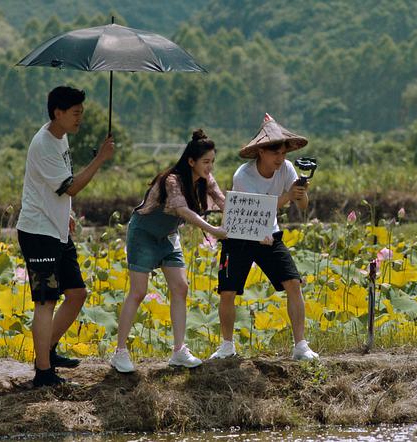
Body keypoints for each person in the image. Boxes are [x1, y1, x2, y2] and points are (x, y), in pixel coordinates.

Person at [16, 86, 115, 387]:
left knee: (76, 294)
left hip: (56, 229)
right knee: (45, 301)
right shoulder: (44, 143)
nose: (79, 119)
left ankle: (48, 350)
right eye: (75, 113)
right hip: (38, 231)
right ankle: (43, 372)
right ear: (57, 113)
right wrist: (100, 158)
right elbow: (70, 186)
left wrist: (66, 214)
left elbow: (56, 189)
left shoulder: (60, 137)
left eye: (81, 113)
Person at [110, 129, 228, 373]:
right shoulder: (172, 180)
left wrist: (246, 225)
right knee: (138, 291)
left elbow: (223, 201)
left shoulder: (207, 180)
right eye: (206, 162)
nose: (209, 167)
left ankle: (178, 351)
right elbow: (182, 210)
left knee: (180, 288)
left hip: (168, 236)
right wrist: (213, 230)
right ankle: (119, 352)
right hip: (143, 233)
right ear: (191, 161)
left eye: (212, 162)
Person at [209, 114, 318, 361]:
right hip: (239, 234)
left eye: (283, 153)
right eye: (275, 154)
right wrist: (289, 195)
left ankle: (301, 345)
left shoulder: (287, 168)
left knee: (293, 283)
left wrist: (299, 192)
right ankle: (227, 345)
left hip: (269, 234)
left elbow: (302, 206)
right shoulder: (243, 175)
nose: (280, 159)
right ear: (261, 152)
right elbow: (258, 211)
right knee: (228, 291)